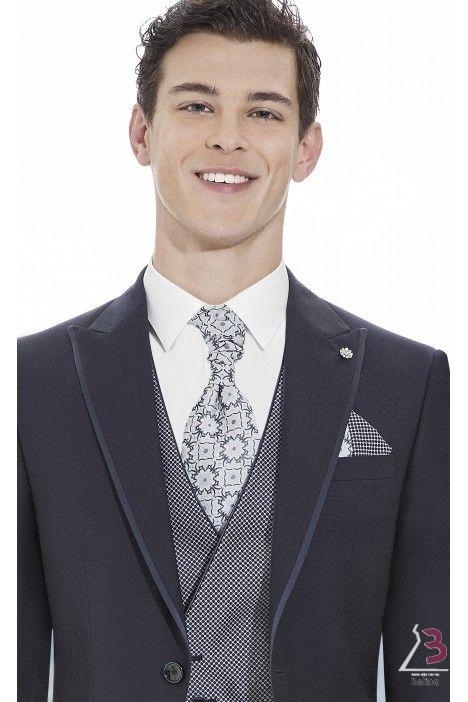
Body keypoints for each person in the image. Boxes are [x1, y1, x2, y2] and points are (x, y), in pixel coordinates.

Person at [17, 0, 449, 700]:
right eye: (197, 106)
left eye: (264, 112)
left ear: (306, 149)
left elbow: (428, 664)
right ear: (142, 132)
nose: (228, 138)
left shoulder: (408, 385)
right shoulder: (33, 385)